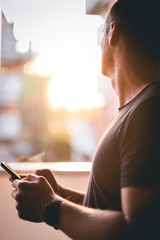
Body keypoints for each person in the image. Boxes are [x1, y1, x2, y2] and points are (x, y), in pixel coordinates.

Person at [11, 0, 160, 239]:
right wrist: (58, 193)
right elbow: (110, 208)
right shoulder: (135, 109)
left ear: (112, 32)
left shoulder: (149, 110)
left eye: (100, 32)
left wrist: (50, 207)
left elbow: (137, 230)